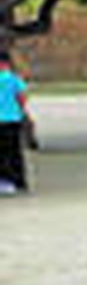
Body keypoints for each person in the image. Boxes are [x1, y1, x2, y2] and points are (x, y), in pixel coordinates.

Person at [0, 49, 32, 194]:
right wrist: (21, 110)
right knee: (15, 151)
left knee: (2, 153)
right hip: (13, 119)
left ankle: (5, 180)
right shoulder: (14, 79)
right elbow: (22, 97)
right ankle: (20, 181)